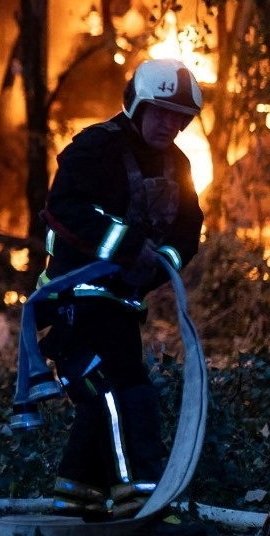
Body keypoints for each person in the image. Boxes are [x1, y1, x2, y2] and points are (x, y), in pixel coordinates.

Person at [34, 58, 204, 520]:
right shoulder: (95, 148)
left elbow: (188, 230)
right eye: (161, 111)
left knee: (111, 392)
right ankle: (142, 496)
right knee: (118, 393)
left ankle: (77, 494)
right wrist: (128, 246)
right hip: (74, 299)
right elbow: (63, 208)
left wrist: (160, 265)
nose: (170, 124)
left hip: (121, 304)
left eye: (179, 116)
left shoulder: (178, 164)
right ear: (136, 104)